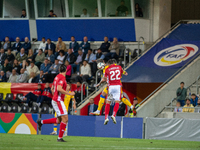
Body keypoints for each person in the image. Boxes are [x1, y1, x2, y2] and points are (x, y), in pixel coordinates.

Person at [37, 64, 75, 142]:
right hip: (58, 100)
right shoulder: (62, 78)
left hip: (56, 99)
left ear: (59, 70)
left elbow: (52, 88)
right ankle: (60, 138)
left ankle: (41, 122)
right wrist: (69, 93)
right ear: (66, 70)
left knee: (59, 120)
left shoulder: (57, 77)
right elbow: (58, 88)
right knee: (65, 118)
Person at [102, 59, 124, 125]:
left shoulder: (107, 69)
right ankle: (113, 115)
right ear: (114, 63)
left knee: (108, 102)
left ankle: (106, 118)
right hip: (118, 86)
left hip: (111, 87)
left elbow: (105, 79)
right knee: (117, 101)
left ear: (109, 64)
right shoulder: (119, 67)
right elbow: (121, 74)